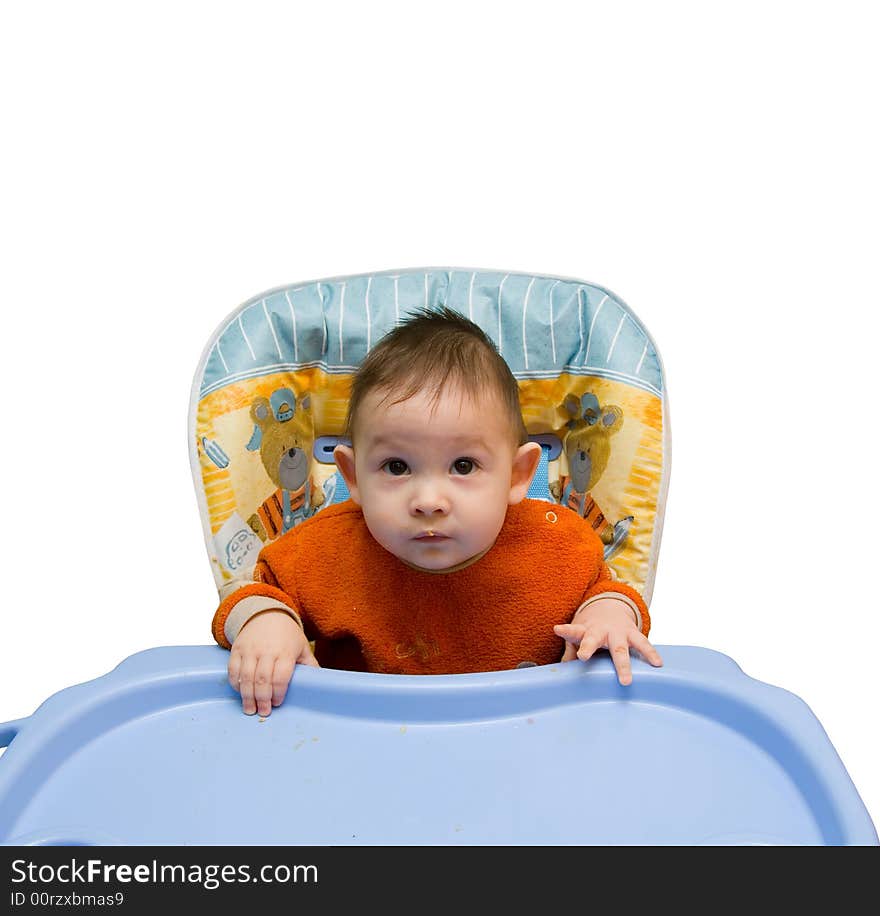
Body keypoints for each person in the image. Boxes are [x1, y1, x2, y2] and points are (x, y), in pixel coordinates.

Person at [212, 307, 663, 716]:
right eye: (396, 467)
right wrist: (265, 622)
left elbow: (606, 592)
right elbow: (255, 591)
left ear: (518, 475)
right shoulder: (324, 552)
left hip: (523, 748)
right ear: (352, 476)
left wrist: (609, 616)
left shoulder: (558, 545)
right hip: (366, 749)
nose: (428, 500)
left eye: (463, 466)